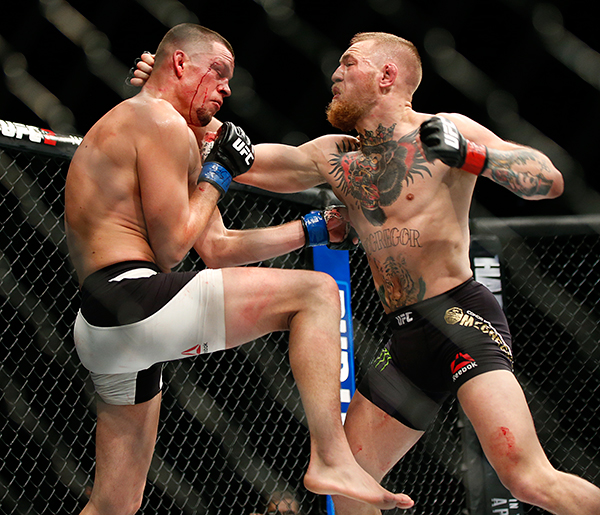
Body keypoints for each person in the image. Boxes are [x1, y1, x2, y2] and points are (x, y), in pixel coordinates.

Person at [133, 31, 600, 514]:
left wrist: (470, 153)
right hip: (404, 338)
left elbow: (548, 179)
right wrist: (170, 95)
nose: (335, 74)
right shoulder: (334, 155)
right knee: (348, 484)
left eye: (349, 63)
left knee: (525, 478)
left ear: (387, 75)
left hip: (461, 317)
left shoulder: (443, 130)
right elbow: (237, 155)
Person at [65, 24, 414, 515]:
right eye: (219, 73)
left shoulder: (153, 125)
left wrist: (313, 229)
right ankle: (332, 456)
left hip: (106, 323)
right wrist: (218, 174)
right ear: (180, 64)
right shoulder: (159, 121)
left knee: (115, 505)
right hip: (132, 297)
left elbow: (217, 247)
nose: (228, 89)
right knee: (316, 293)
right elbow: (173, 249)